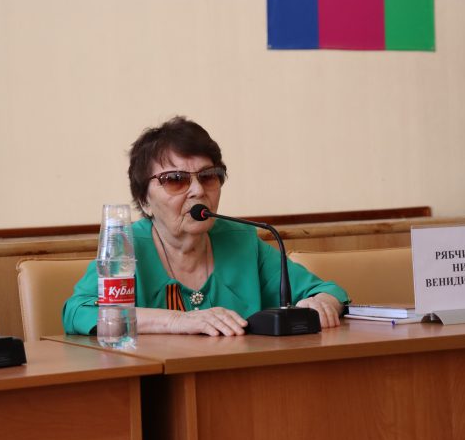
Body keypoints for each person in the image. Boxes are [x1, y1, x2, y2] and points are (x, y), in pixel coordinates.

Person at [63, 116, 349, 337]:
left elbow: (328, 291)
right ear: (144, 201)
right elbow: (78, 311)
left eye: (208, 176)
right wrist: (177, 321)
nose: (198, 191)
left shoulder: (241, 242)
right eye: (176, 180)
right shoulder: (126, 246)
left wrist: (322, 303)